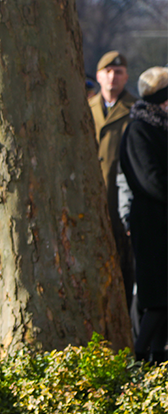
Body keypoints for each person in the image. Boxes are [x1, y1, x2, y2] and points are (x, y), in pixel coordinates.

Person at [119, 66, 168, 363]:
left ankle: (156, 360)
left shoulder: (160, 127)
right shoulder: (139, 129)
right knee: (157, 300)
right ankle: (138, 356)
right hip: (152, 225)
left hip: (161, 222)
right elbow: (152, 180)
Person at [90, 50, 136, 310]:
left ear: (126, 76)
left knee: (124, 267)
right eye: (108, 71)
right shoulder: (86, 108)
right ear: (98, 76)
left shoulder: (135, 109)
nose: (112, 77)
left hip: (121, 203)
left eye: (118, 72)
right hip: (92, 201)